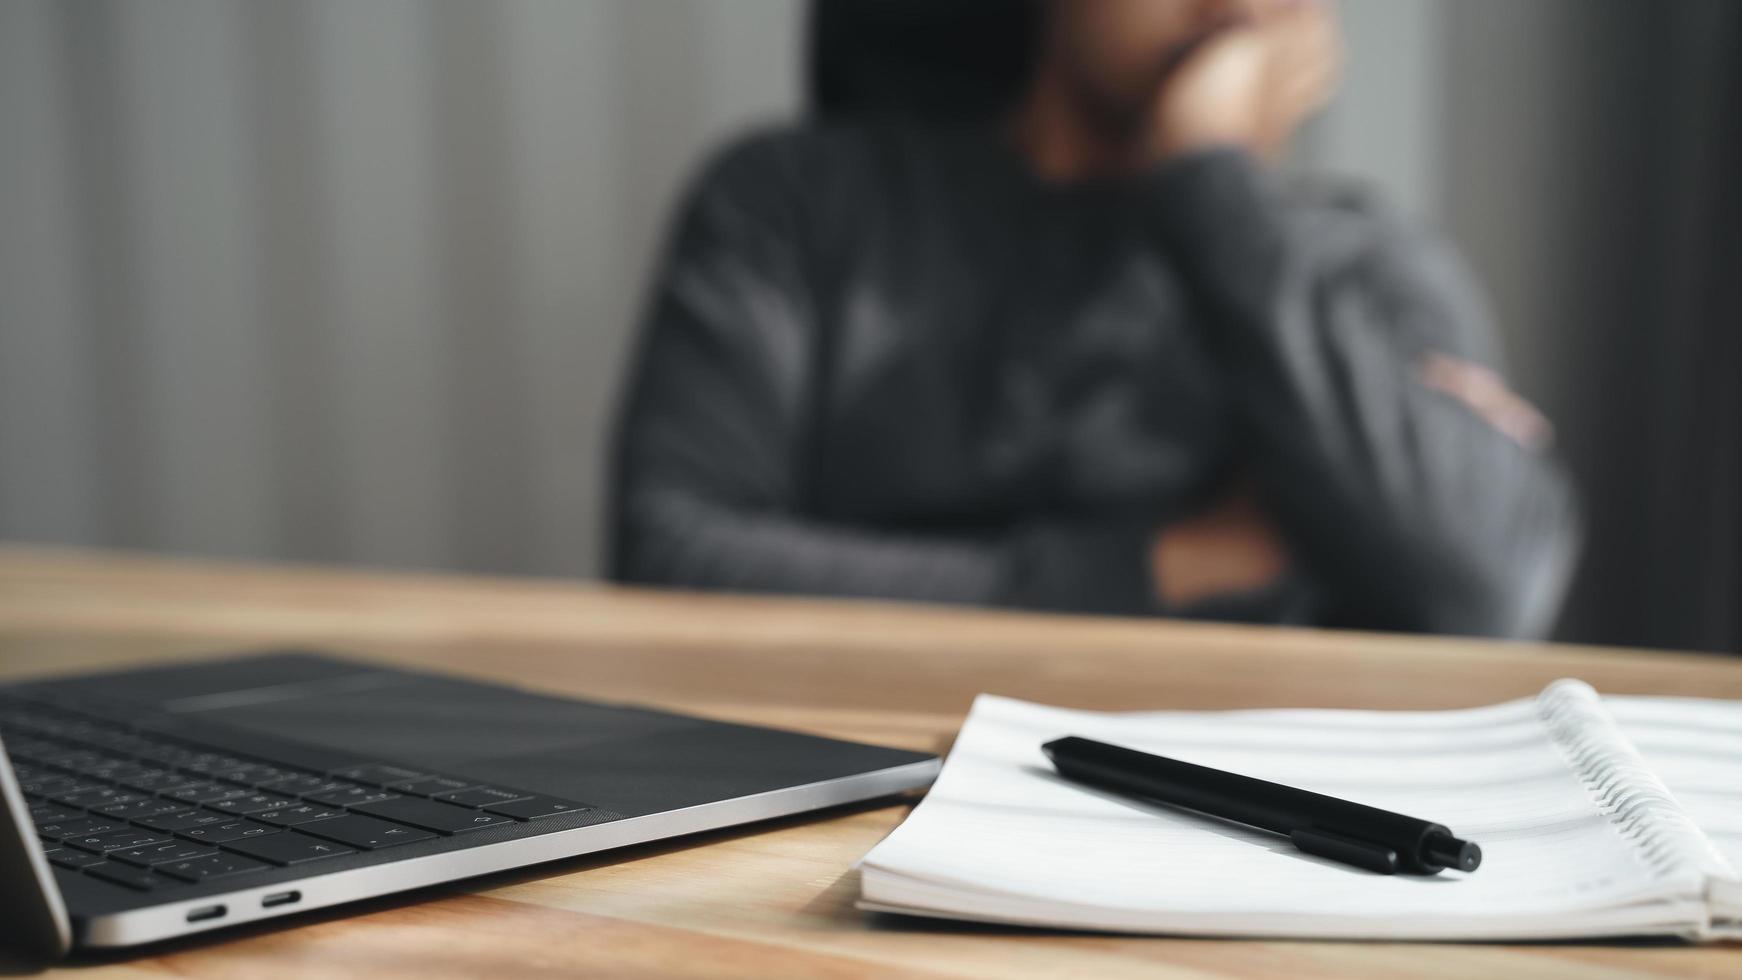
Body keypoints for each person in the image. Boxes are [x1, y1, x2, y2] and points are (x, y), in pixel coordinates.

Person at [607, 0, 1579, 638]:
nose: (1235, 9)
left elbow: (1479, 591)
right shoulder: (795, 204)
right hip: (843, 777)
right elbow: (672, 555)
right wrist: (1164, 563)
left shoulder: (1355, 265)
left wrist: (1207, 187)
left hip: (1235, 820)